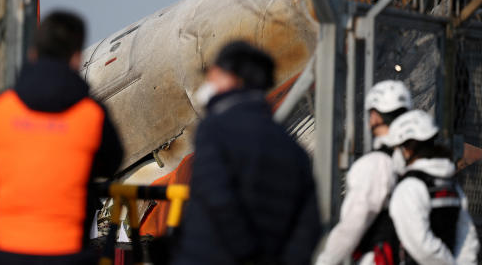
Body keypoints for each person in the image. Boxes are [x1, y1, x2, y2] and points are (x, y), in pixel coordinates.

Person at [0, 11, 124, 265]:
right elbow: (112, 163)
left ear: (33, 53)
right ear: (76, 57)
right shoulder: (91, 115)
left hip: (6, 255)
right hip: (68, 255)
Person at [172, 40, 321, 265]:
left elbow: (217, 198)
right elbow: (309, 218)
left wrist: (246, 253)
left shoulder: (215, 129)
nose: (209, 79)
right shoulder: (290, 146)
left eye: (215, 73)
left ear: (233, 78)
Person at [316, 80, 412, 265]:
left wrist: (325, 261)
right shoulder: (417, 161)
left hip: (379, 258)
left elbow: (353, 224)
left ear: (374, 117)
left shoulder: (376, 164)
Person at [387, 110, 479, 264]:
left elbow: (420, 244)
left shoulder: (409, 188)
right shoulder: (450, 184)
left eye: (398, 147)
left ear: (409, 148)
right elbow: (467, 237)